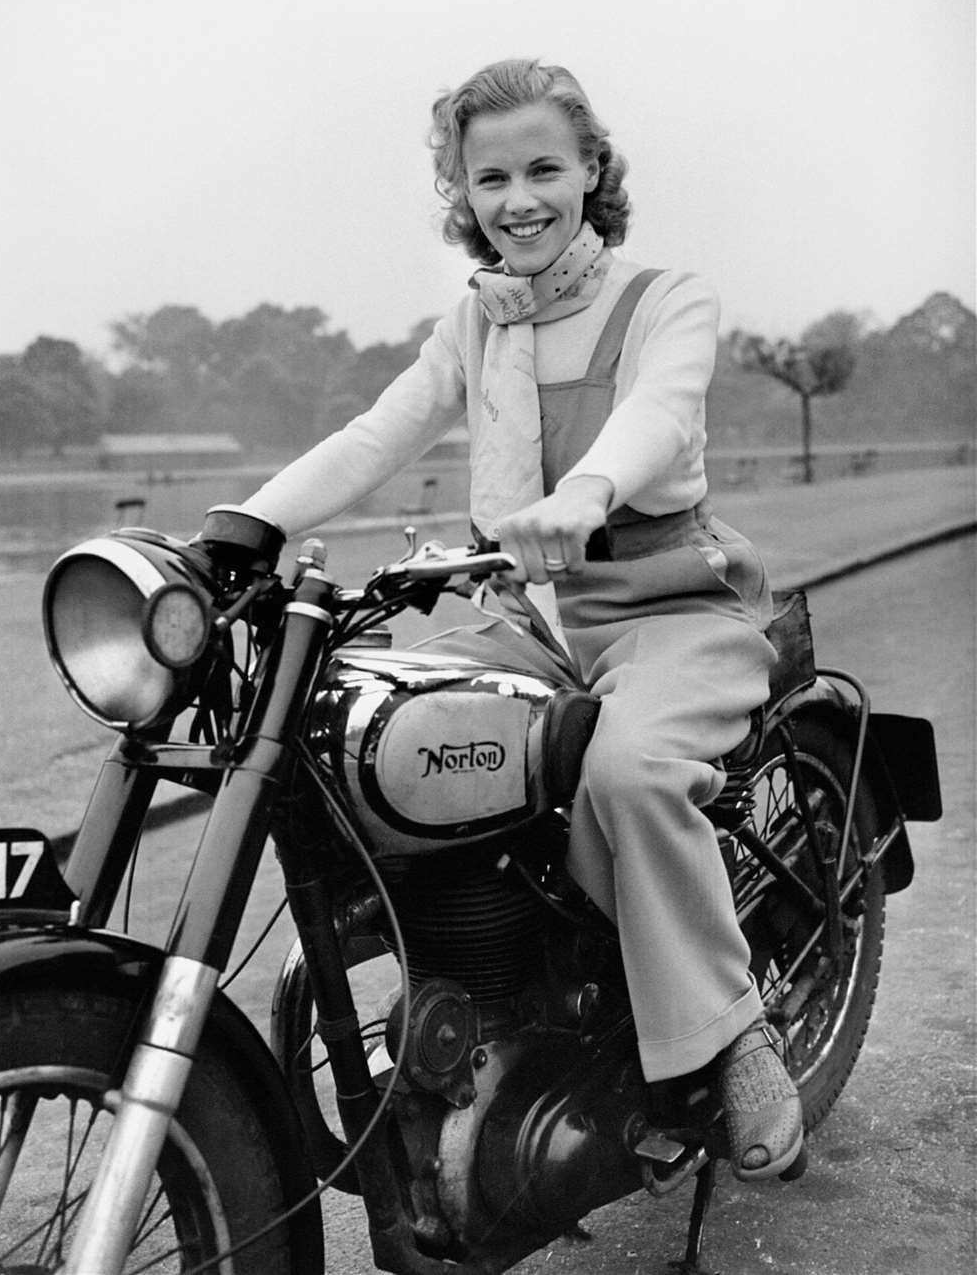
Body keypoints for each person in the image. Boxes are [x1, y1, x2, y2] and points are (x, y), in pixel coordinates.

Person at [232, 57, 802, 1181]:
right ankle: (490, 989)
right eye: (490, 177)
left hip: (664, 600)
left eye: (545, 166)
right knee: (381, 736)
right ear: (463, 194)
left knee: (631, 772)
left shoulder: (665, 298)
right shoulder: (477, 323)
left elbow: (655, 410)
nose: (520, 199)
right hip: (526, 606)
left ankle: (731, 1031)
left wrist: (584, 494)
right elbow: (374, 434)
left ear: (593, 167)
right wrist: (237, 529)